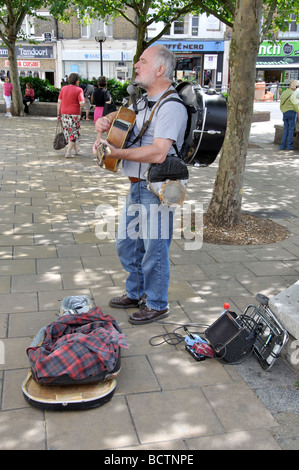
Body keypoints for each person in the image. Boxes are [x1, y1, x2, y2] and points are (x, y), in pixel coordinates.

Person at [93, 45, 187, 325]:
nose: (136, 65)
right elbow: (122, 117)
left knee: (154, 250)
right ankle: (135, 293)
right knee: (127, 244)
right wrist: (106, 120)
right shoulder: (144, 100)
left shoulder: (171, 106)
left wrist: (115, 154)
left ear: (160, 69)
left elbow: (159, 153)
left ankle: (157, 303)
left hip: (156, 190)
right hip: (136, 185)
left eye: (142, 61)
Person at [57, 73, 85, 157]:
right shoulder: (79, 90)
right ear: (76, 81)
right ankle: (68, 152)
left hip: (64, 113)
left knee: (69, 131)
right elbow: (82, 103)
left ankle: (75, 149)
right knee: (74, 132)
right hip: (74, 114)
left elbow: (59, 102)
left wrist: (58, 114)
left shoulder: (63, 89)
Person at [280, 80, 299, 151]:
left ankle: (282, 146)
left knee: (285, 129)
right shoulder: (293, 94)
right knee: (291, 129)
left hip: (284, 112)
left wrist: (282, 110)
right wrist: (298, 112)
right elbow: (295, 105)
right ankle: (289, 146)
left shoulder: (284, 92)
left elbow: (281, 103)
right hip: (292, 112)